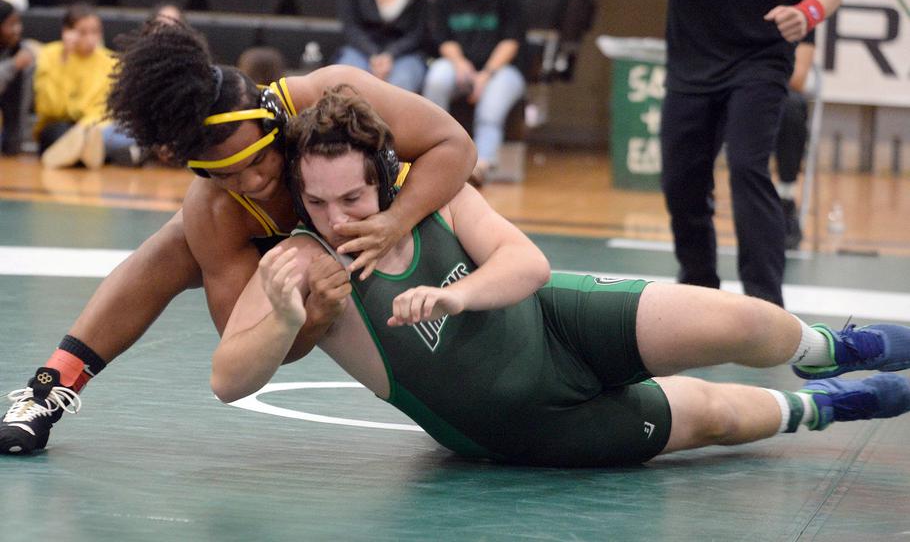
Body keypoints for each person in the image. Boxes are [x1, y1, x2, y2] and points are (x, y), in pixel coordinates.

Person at [211, 86, 910, 467]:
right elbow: (227, 380)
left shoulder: (432, 191)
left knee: (744, 320)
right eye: (318, 202)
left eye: (354, 199)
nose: (337, 218)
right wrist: (282, 317)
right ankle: (831, 408)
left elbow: (527, 264)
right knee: (717, 414)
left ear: (386, 179)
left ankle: (834, 353)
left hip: (552, 320)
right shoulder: (303, 263)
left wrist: (454, 296)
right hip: (527, 424)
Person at [0, 21, 475, 455]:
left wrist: (397, 219)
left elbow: (456, 146)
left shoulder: (330, 97)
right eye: (224, 175)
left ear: (275, 123)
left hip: (405, 226)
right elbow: (245, 353)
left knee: (458, 207)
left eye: (255, 162)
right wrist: (308, 319)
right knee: (178, 241)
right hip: (301, 255)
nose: (248, 183)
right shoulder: (214, 206)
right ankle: (48, 387)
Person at [633, 0, 841, 306]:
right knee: (680, 181)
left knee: (747, 167)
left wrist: (808, 13)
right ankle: (698, 288)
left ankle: (765, 302)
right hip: (691, 62)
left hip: (762, 61)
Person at [422, 0, 526, 186]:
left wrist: (486, 74)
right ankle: (430, 155)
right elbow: (443, 38)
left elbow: (511, 41)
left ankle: (481, 166)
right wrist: (459, 63)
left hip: (501, 69)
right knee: (437, 79)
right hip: (458, 65)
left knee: (491, 108)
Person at [34, 3, 139, 169]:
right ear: (67, 32)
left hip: (95, 127)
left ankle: (82, 154)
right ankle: (106, 155)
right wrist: (64, 61)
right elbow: (50, 108)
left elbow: (105, 109)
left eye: (95, 32)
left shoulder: (109, 60)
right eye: (83, 32)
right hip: (60, 124)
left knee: (126, 133)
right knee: (59, 133)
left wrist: (86, 128)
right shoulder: (50, 55)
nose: (91, 38)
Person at [336, 0, 429, 93]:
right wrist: (373, 54)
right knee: (347, 81)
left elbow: (417, 33)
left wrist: (390, 54)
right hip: (361, 49)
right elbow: (351, 27)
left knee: (399, 86)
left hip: (405, 53)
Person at [775, 33, 816, 250]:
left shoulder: (799, 16)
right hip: (728, 90)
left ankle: (786, 197)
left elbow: (798, 77)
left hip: (771, 91)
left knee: (792, 106)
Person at [0, 0, 37, 155]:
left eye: (18, 23)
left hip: (12, 134)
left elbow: (24, 101)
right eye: (11, 24)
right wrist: (13, 65)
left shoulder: (24, 51)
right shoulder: (18, 59)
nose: (17, 29)